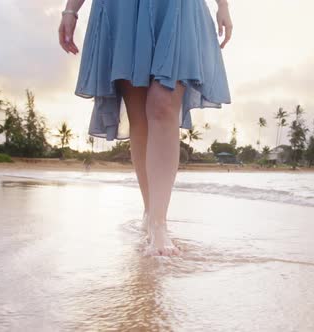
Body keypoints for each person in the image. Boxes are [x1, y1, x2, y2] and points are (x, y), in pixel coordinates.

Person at [58, 0, 233, 256]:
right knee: (139, 116)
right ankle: (151, 212)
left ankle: (159, 223)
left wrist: (224, 6)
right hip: (124, 9)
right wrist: (70, 10)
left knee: (163, 104)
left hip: (176, 7)